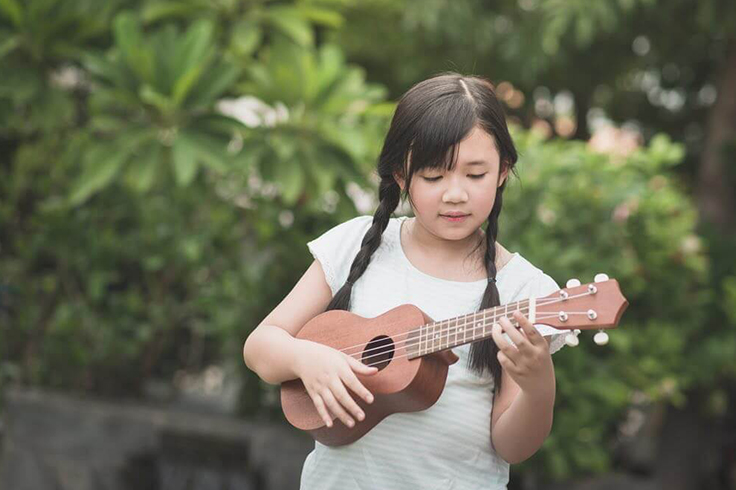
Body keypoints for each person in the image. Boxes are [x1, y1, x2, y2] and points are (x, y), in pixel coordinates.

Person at [243, 72, 579, 490]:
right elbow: (260, 347)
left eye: (475, 175)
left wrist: (538, 387)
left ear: (503, 171)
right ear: (402, 176)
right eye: (434, 177)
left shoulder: (523, 291)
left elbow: (512, 446)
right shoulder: (355, 245)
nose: (454, 194)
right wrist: (305, 359)